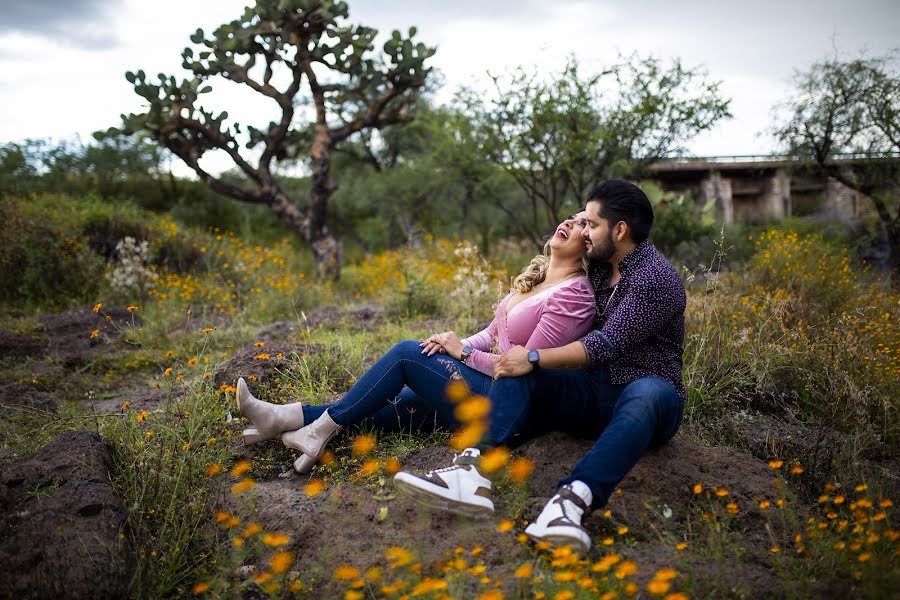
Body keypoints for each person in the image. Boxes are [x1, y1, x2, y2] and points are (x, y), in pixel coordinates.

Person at [394, 180, 686, 554]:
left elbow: (605, 344)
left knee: (640, 390)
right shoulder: (599, 268)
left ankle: (569, 504)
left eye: (592, 225)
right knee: (522, 368)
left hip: (649, 399)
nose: (585, 232)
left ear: (620, 230)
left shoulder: (655, 278)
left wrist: (532, 355)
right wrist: (520, 356)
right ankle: (470, 472)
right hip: (595, 391)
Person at [235, 212, 597, 478]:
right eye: (570, 216)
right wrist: (447, 344)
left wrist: (463, 353)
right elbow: (491, 334)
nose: (570, 222)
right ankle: (283, 419)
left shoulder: (575, 295)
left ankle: (316, 431)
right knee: (393, 405)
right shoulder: (535, 281)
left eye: (584, 224)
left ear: (591, 243)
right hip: (482, 387)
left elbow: (521, 368)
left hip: (505, 407)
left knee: (408, 354)